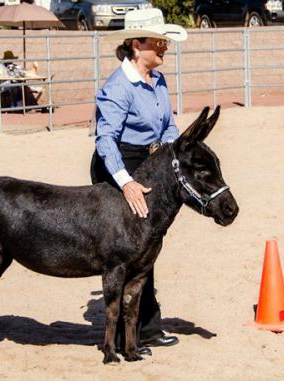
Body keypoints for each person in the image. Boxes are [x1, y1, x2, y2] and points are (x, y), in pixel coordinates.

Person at [90, 8, 188, 353]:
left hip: (148, 162)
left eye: (164, 41)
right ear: (136, 44)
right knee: (131, 250)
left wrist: (174, 151)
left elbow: (168, 126)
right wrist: (126, 182)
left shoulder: (157, 80)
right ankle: (126, 333)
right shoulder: (118, 87)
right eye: (157, 41)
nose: (164, 47)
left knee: (147, 248)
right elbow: (105, 140)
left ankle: (146, 326)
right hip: (118, 165)